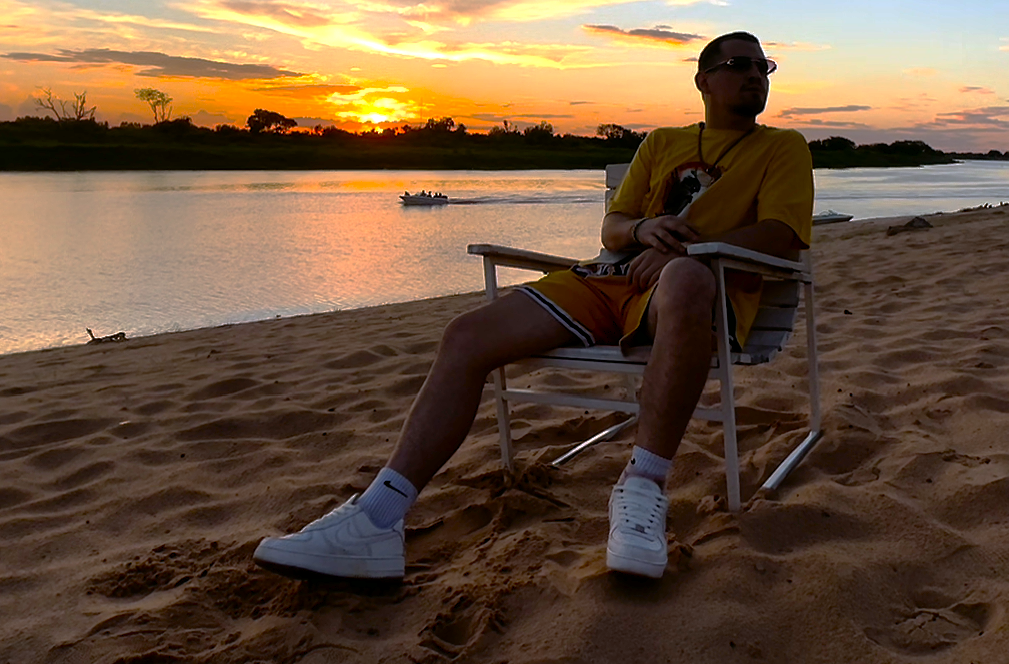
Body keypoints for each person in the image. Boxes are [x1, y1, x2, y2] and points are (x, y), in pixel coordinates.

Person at [253, 31, 814, 581]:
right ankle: (378, 519)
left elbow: (783, 235)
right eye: (738, 64)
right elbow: (613, 226)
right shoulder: (661, 143)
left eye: (761, 67)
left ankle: (642, 490)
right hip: (606, 281)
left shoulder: (782, 148)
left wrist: (688, 252)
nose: (751, 76)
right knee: (466, 336)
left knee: (688, 279)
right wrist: (643, 228)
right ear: (704, 81)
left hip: (690, 296)